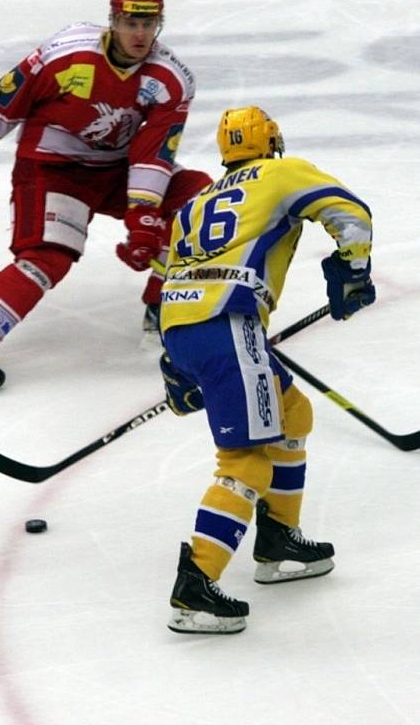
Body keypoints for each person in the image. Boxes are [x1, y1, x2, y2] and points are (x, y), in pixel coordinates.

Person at [0, 0, 211, 394]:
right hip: (52, 169)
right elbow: (12, 97)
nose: (141, 34)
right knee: (46, 257)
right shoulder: (68, 52)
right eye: (131, 22)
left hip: (115, 169)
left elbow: (153, 153)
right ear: (112, 20)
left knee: (197, 202)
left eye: (150, 25)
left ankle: (163, 307)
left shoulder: (170, 79)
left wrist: (144, 215)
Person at [158, 105, 375, 634]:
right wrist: (353, 269)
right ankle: (196, 588)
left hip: (181, 325)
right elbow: (351, 214)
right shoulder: (282, 172)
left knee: (292, 412)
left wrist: (178, 363)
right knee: (246, 461)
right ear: (271, 142)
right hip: (229, 324)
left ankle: (279, 536)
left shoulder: (195, 202)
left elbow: (170, 274)